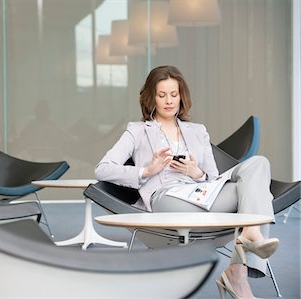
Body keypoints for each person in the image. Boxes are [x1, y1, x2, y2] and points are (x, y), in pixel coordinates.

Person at [95, 65, 279, 299]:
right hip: (165, 199)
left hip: (201, 192)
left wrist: (196, 173)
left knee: (259, 164)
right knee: (256, 196)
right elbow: (102, 169)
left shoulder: (198, 131)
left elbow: (212, 177)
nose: (169, 101)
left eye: (174, 94)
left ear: (182, 96)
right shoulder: (138, 131)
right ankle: (245, 253)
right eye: (162, 95)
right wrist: (146, 170)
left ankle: (242, 258)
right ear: (151, 98)